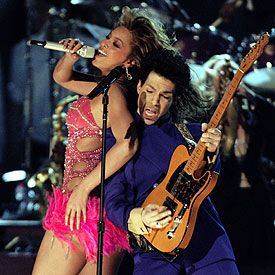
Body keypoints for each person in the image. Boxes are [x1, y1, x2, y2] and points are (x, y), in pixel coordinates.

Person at [32, 6, 174, 275]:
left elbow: (129, 143)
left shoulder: (114, 95)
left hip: (80, 208)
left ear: (130, 61)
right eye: (108, 38)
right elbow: (62, 76)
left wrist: (83, 190)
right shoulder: (105, 87)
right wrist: (69, 57)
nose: (103, 44)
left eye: (115, 44)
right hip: (104, 215)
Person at [105, 49, 239, 274]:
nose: (154, 103)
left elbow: (211, 182)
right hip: (153, 249)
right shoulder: (120, 137)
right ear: (138, 86)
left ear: (174, 99)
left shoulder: (194, 134)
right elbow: (112, 200)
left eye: (165, 96)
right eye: (149, 91)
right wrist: (136, 216)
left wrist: (211, 153)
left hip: (207, 245)